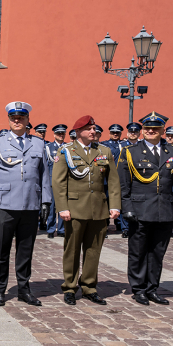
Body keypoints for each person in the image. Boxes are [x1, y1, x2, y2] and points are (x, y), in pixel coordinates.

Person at [0, 102, 52, 307]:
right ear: (9, 120)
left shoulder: (39, 144)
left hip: (30, 204)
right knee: (1, 251)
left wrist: (46, 200)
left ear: (27, 120)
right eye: (13, 118)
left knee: (26, 251)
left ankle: (24, 289)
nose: (17, 121)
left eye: (21, 118)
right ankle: (0, 290)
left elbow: (44, 175)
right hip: (6, 204)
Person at [119, 112, 173, 305]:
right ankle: (139, 288)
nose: (150, 131)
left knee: (157, 253)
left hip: (164, 210)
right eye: (147, 128)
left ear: (163, 131)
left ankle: (152, 288)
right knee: (138, 252)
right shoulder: (130, 152)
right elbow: (123, 185)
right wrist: (127, 208)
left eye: (155, 128)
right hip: (139, 210)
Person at [54, 115, 121, 306]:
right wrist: (63, 208)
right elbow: (58, 182)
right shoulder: (66, 151)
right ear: (77, 132)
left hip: (99, 209)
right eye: (89, 129)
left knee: (93, 251)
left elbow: (114, 181)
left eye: (94, 128)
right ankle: (69, 286)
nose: (93, 132)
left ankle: (89, 286)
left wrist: (115, 205)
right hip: (74, 209)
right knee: (72, 250)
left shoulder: (104, 151)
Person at [43, 124, 68, 239]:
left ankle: (62, 229)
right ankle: (51, 229)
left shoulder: (68, 147)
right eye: (59, 134)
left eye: (63, 133)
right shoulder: (48, 147)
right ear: (54, 135)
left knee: (63, 206)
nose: (61, 135)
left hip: (64, 182)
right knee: (52, 207)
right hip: (52, 182)